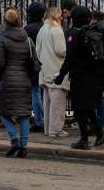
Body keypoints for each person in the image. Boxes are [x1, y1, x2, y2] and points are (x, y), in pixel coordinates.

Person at [59, 6, 104, 149]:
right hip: (93, 75)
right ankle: (99, 131)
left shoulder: (74, 34)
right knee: (86, 107)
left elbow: (70, 58)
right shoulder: (94, 32)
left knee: (79, 108)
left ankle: (85, 139)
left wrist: (61, 75)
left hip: (79, 76)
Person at [0, 7, 38, 158]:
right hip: (24, 79)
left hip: (7, 80)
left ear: (5, 22)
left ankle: (14, 139)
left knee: (4, 112)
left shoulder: (1, 39)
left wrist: (0, 76)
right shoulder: (27, 39)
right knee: (24, 113)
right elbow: (32, 61)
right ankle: (24, 147)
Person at [36, 7, 69, 138]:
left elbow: (38, 51)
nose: (62, 18)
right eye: (60, 16)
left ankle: (48, 127)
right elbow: (61, 50)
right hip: (56, 69)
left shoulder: (42, 30)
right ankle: (55, 129)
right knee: (58, 103)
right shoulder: (56, 30)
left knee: (48, 102)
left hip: (45, 70)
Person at [23, 1, 48, 132]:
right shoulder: (45, 27)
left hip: (32, 64)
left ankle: (39, 121)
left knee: (35, 92)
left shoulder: (27, 29)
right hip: (45, 63)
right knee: (44, 92)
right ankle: (46, 120)